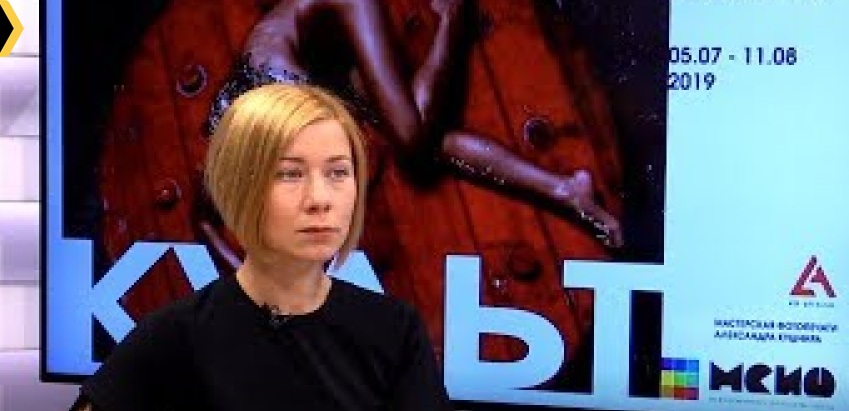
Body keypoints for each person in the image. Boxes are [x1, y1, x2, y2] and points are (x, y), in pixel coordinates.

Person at [30, 83, 454, 411]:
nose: (320, 200)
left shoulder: (395, 329)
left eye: (338, 173)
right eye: (290, 174)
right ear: (237, 185)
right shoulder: (183, 331)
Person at [202, 0, 624, 250]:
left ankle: (566, 190)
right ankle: (566, 190)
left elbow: (205, 220)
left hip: (302, 77)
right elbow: (411, 139)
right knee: (416, 142)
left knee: (415, 137)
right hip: (298, 82)